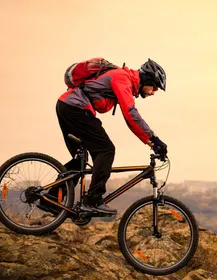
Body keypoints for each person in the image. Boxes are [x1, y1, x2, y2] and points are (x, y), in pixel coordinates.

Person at [54, 58, 168, 215]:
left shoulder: (124, 80)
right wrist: (154, 139)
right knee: (106, 150)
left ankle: (50, 199)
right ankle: (92, 201)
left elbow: (130, 120)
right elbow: (131, 114)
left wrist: (151, 142)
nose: (154, 92)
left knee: (79, 158)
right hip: (75, 109)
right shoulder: (123, 79)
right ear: (147, 79)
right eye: (154, 87)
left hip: (67, 106)